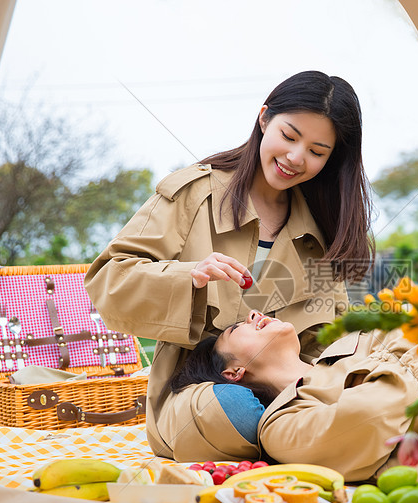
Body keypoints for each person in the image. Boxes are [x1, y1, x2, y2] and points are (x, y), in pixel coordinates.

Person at [85, 71, 375, 462]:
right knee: (232, 411)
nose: (295, 157)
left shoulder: (323, 232)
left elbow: (334, 337)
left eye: (317, 151)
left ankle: (307, 431)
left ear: (331, 158)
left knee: (377, 396)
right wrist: (187, 277)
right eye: (289, 136)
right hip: (201, 395)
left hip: (297, 393)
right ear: (263, 118)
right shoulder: (194, 195)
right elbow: (108, 280)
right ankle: (305, 436)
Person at [170, 310, 418, 486]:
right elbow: (368, 416)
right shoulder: (280, 425)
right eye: (238, 327)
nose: (255, 313)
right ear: (233, 372)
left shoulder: (349, 342)